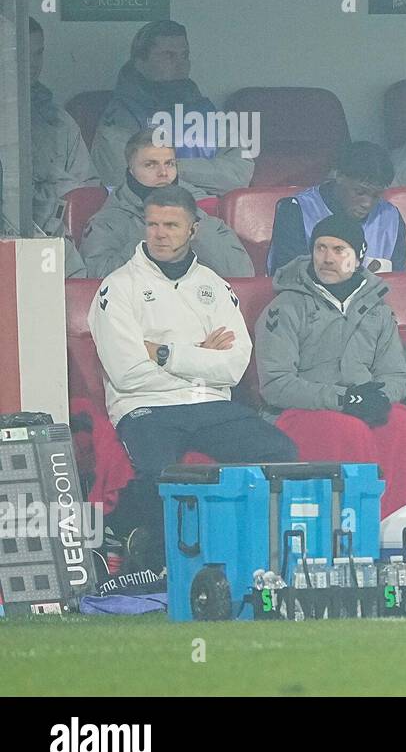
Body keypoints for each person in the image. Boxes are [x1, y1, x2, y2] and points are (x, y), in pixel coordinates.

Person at [87, 184, 297, 560]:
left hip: (210, 403)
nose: (160, 233)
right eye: (152, 224)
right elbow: (128, 373)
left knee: (279, 450)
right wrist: (201, 357)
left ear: (193, 229)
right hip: (146, 406)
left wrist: (164, 354)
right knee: (160, 472)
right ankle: (157, 555)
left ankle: (259, 552)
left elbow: (232, 368)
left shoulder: (214, 287)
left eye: (171, 224)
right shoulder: (117, 288)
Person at [255, 214, 406, 519]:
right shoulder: (285, 307)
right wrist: (343, 399)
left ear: (359, 256)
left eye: (339, 250)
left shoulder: (377, 309)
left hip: (361, 403)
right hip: (299, 412)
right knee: (349, 430)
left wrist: (377, 398)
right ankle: (355, 530)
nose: (327, 258)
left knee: (402, 423)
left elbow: (395, 374)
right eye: (321, 248)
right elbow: (276, 384)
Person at [90, 20, 252, 195]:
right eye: (168, 55)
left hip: (212, 215)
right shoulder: (121, 116)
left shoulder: (204, 109)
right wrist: (203, 183)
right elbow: (122, 180)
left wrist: (165, 167)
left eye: (184, 55)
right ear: (140, 61)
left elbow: (238, 176)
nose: (181, 63)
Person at [80, 130, 254, 279]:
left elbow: (241, 275)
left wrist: (193, 230)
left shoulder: (200, 217)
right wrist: (152, 239)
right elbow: (97, 280)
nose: (163, 173)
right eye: (150, 165)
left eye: (169, 164)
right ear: (131, 171)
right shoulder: (107, 222)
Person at [266, 141, 406, 275]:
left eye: (376, 195)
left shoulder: (391, 218)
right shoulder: (295, 211)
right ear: (339, 176)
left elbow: (398, 280)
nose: (367, 204)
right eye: (360, 192)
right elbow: (289, 276)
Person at [28, 17, 98, 236]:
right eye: (21, 52)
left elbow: (87, 188)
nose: (32, 63)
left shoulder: (58, 120)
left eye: (37, 53)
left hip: (58, 241)